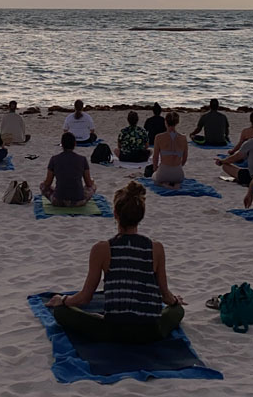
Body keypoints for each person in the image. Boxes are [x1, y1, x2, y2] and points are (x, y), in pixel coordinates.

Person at [46, 181, 185, 343]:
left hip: (114, 330)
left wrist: (62, 300)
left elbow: (85, 298)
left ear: (115, 214)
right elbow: (165, 296)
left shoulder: (102, 249)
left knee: (61, 313)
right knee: (177, 310)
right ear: (141, 215)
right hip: (150, 330)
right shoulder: (156, 248)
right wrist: (175, 301)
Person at [40, 132, 96, 206]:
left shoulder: (54, 159)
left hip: (58, 201)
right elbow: (88, 183)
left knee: (42, 185)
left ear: (62, 144)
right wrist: (92, 181)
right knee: (93, 186)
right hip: (79, 201)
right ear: (75, 144)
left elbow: (47, 183)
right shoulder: (82, 159)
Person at [152, 112, 188, 188]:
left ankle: (164, 184)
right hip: (178, 174)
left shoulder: (159, 137)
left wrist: (155, 169)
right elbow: (184, 158)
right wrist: (177, 166)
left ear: (165, 122)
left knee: (154, 177)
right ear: (177, 122)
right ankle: (176, 184)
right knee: (176, 178)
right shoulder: (183, 138)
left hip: (164, 171)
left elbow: (155, 157)